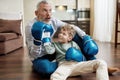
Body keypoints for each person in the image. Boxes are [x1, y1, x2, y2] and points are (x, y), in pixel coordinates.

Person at [25, 0, 118, 76]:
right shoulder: (30, 27)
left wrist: (86, 37)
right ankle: (81, 62)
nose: (48, 14)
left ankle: (95, 63)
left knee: (73, 34)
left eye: (50, 10)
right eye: (45, 10)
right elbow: (33, 54)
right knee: (46, 69)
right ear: (36, 13)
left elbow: (71, 26)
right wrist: (37, 41)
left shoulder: (52, 20)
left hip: (52, 50)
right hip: (39, 55)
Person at [44, 24, 109, 80]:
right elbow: (50, 51)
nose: (60, 35)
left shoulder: (74, 44)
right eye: (60, 33)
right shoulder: (55, 44)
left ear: (69, 38)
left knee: (101, 62)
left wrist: (78, 56)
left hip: (77, 65)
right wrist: (46, 41)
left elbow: (81, 57)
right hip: (64, 65)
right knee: (55, 77)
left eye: (64, 34)